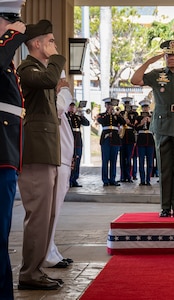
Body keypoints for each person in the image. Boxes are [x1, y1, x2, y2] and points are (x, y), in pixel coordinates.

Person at [17, 19, 66, 290]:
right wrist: (57, 58)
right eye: (50, 41)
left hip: (46, 151)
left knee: (45, 215)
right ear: (37, 44)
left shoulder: (39, 69)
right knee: (37, 214)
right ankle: (29, 273)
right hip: (36, 152)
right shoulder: (28, 68)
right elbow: (48, 80)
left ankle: (35, 270)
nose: (54, 46)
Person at [130, 39, 174, 217]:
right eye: (168, 55)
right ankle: (164, 207)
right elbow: (135, 79)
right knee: (164, 168)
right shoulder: (157, 74)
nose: (172, 58)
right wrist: (149, 61)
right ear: (165, 56)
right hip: (161, 127)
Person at [0, 1, 26, 297]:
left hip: (6, 155)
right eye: (9, 21)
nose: (15, 26)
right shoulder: (5, 48)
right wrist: (11, 38)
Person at [42, 77, 74, 269]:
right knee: (49, 209)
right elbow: (60, 106)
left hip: (61, 156)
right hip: (54, 156)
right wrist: (62, 90)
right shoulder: (53, 99)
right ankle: (46, 254)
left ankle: (51, 250)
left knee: (55, 209)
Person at [97, 97, 126, 187]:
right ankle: (105, 180)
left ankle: (112, 179)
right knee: (105, 160)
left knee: (113, 160)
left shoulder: (116, 116)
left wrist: (117, 114)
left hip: (115, 139)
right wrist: (108, 114)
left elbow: (123, 122)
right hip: (105, 139)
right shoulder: (101, 115)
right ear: (105, 105)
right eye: (108, 105)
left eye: (111, 105)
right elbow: (100, 121)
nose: (110, 107)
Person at [68, 101, 90, 188]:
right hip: (70, 139)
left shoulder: (78, 117)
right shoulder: (67, 116)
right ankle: (69, 179)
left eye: (73, 107)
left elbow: (87, 123)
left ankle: (74, 179)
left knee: (77, 160)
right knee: (70, 161)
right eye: (71, 106)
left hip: (78, 141)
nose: (72, 108)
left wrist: (81, 115)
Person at [134, 99, 155, 186]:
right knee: (141, 161)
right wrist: (141, 123)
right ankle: (142, 180)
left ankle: (148, 179)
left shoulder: (152, 117)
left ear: (149, 108)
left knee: (150, 162)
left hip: (150, 140)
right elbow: (135, 128)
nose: (145, 109)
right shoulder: (138, 117)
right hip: (141, 140)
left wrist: (151, 122)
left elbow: (156, 128)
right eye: (143, 107)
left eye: (146, 107)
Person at [119, 97, 137, 183]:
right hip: (122, 137)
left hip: (130, 137)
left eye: (128, 105)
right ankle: (122, 176)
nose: (127, 106)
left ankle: (129, 176)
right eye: (125, 105)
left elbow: (136, 126)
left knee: (129, 158)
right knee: (122, 158)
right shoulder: (121, 113)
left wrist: (128, 122)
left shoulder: (134, 114)